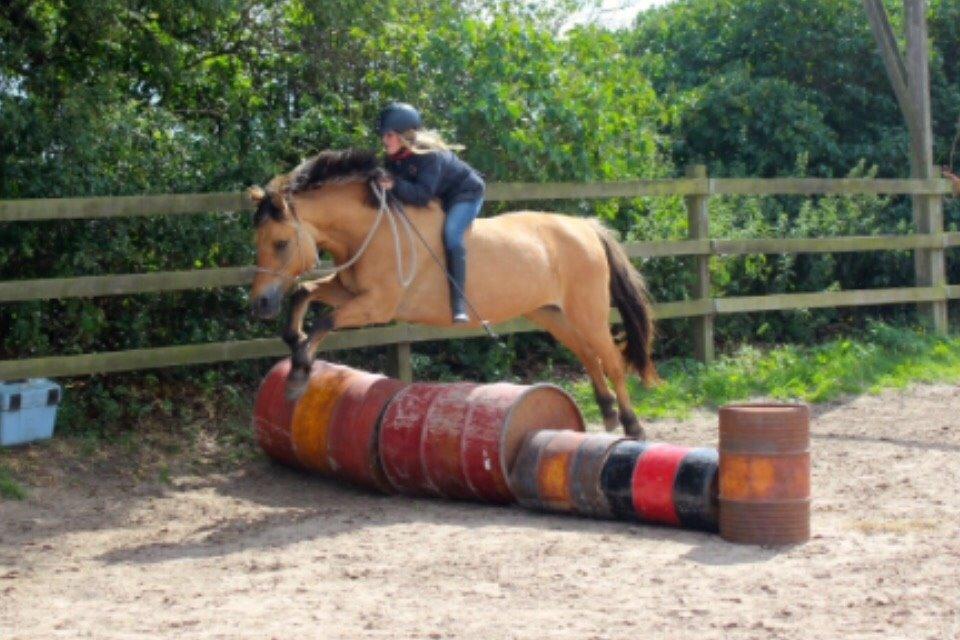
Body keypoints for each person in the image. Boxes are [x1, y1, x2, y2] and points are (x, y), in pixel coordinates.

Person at [376, 102, 485, 323]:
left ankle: (459, 305)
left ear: (403, 135)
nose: (384, 140)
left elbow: (422, 195)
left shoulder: (429, 155)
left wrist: (394, 184)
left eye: (389, 135)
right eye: (383, 135)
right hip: (440, 196)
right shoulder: (395, 157)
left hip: (465, 194)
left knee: (452, 235)